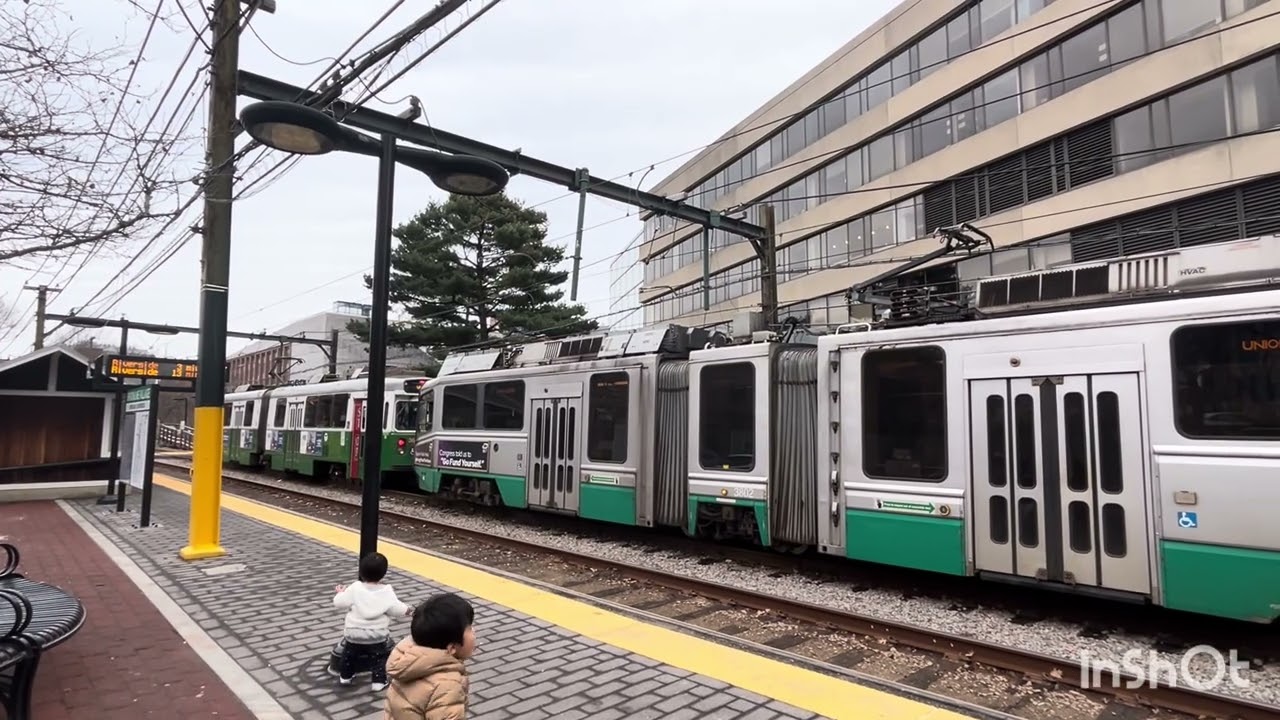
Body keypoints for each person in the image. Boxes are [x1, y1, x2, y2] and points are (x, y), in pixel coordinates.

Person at [383, 593, 476, 720]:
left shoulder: (408, 663)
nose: (474, 631)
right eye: (470, 628)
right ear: (452, 648)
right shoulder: (446, 685)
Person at [333, 552, 413, 691]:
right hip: (377, 635)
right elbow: (397, 609)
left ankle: (345, 677)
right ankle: (378, 682)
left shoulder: (355, 588)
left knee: (349, 655)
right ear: (383, 574)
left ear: (361, 572)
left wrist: (340, 592)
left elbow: (339, 603)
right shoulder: (386, 592)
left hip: (353, 633)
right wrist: (408, 611)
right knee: (379, 659)